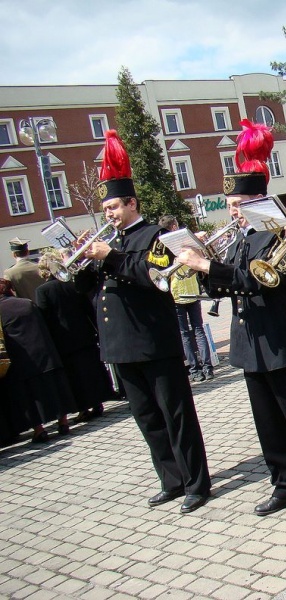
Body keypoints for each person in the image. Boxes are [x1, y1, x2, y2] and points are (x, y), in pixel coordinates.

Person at [177, 119, 286, 525]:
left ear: (257, 201)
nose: (232, 210)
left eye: (239, 203)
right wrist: (198, 268)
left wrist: (207, 264)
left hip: (277, 336)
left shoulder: (275, 231)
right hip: (247, 340)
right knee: (267, 422)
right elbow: (224, 288)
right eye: (231, 204)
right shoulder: (236, 238)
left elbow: (258, 280)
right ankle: (285, 484)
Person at [77, 130, 211, 514]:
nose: (109, 215)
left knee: (176, 415)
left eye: (115, 207)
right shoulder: (109, 243)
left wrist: (110, 258)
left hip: (153, 342)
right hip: (120, 345)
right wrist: (84, 262)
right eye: (106, 210)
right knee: (147, 418)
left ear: (132, 203)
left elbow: (156, 275)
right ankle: (171, 480)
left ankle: (196, 483)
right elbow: (87, 292)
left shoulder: (153, 235)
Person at [36, 249, 111, 423]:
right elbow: (87, 307)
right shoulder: (72, 283)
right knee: (91, 368)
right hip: (84, 333)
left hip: (63, 339)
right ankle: (98, 401)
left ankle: (83, 408)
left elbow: (44, 317)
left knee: (75, 375)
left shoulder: (43, 291)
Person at [0, 278, 75, 444]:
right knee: (55, 389)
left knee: (30, 397)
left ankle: (39, 430)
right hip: (44, 352)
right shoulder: (26, 303)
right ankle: (63, 422)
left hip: (22, 360)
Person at [158, 215, 214, 382]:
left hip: (177, 294)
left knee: (186, 334)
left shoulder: (163, 246)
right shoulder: (185, 241)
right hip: (190, 292)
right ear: (174, 226)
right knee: (198, 331)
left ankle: (195, 370)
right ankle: (207, 368)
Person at [4, 238, 44, 303]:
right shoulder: (40, 267)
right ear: (28, 252)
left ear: (14, 255)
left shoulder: (9, 273)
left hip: (26, 309)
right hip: (46, 308)